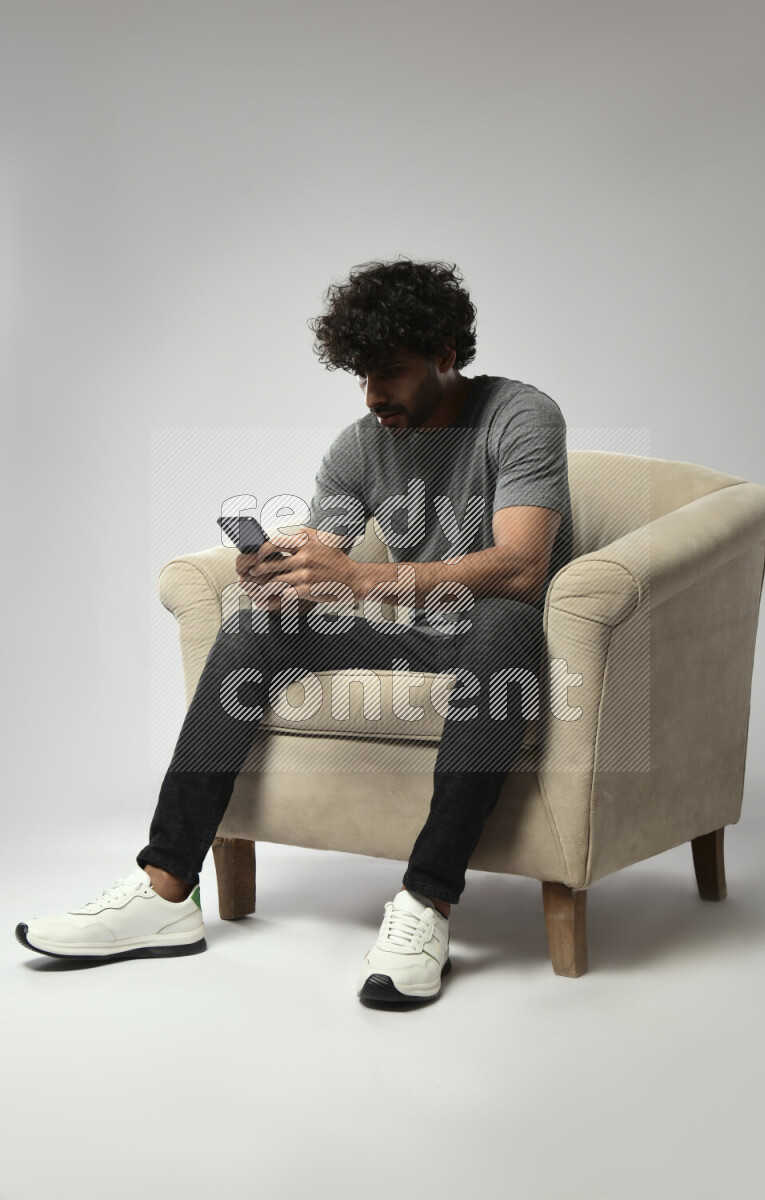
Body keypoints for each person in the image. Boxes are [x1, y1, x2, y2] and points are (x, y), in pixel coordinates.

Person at [16, 257, 573, 1005]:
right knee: (256, 627)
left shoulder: (520, 415)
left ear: (446, 354)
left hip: (500, 636)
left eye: (393, 373)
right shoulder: (360, 443)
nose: (375, 396)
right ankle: (165, 891)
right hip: (412, 628)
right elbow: (330, 550)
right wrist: (283, 571)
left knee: (504, 624)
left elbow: (522, 566)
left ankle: (424, 903)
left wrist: (358, 581)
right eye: (362, 376)